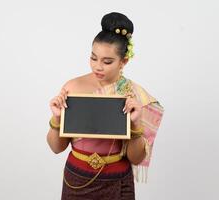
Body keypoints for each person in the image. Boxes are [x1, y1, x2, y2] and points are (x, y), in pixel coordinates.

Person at [46, 12, 164, 200]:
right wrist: (57, 118)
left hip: (118, 180)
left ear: (123, 61)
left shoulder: (132, 94)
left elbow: (136, 158)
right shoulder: (73, 87)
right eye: (93, 58)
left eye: (107, 61)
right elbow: (56, 148)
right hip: (77, 178)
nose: (97, 67)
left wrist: (135, 123)